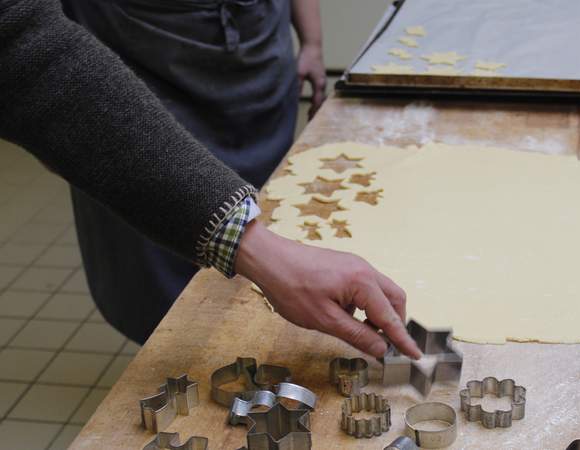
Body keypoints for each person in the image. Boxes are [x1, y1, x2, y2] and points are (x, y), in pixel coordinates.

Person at [0, 0, 422, 360]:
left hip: (257, 62)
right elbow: (20, 42)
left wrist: (311, 40)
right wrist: (260, 250)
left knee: (276, 241)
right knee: (171, 293)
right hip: (139, 79)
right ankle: (180, 366)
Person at [58, 0, 329, 344]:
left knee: (272, 215)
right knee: (160, 268)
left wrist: (313, 43)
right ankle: (176, 355)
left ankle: (255, 338)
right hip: (137, 55)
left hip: (257, 51)